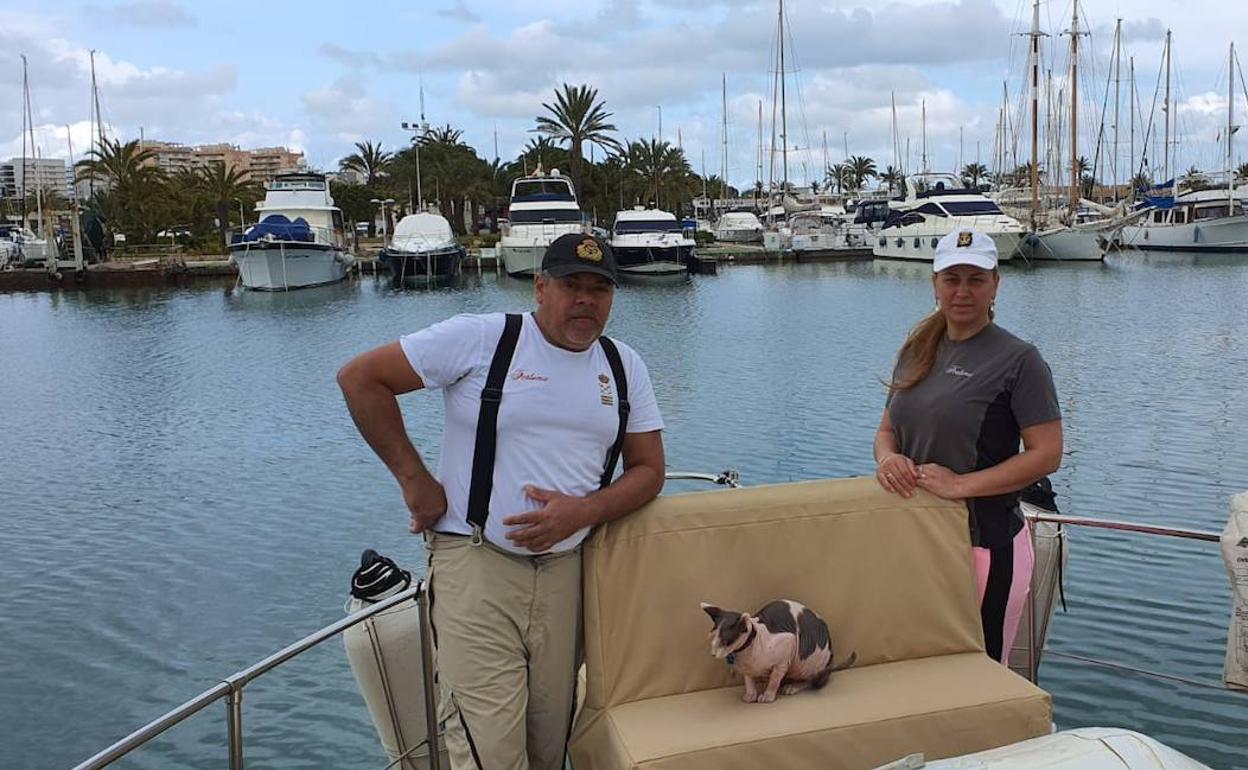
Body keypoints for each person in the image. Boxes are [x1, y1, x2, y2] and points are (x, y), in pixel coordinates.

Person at [336, 232, 665, 770]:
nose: (585, 299)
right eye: (571, 285)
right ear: (539, 287)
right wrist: (414, 480)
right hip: (477, 566)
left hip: (569, 575)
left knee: (549, 741)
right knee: (489, 749)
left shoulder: (624, 366)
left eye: (599, 289)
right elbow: (361, 379)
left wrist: (582, 512)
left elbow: (650, 471)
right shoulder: (484, 339)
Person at [873, 229, 1063, 665]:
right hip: (917, 540)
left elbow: (1047, 453)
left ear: (995, 283)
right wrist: (889, 460)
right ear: (934, 283)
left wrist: (962, 485)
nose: (962, 291)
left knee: (978, 675)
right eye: (951, 278)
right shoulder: (917, 350)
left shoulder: (1020, 360)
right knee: (918, 671)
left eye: (975, 279)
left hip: (984, 547)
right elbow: (887, 431)